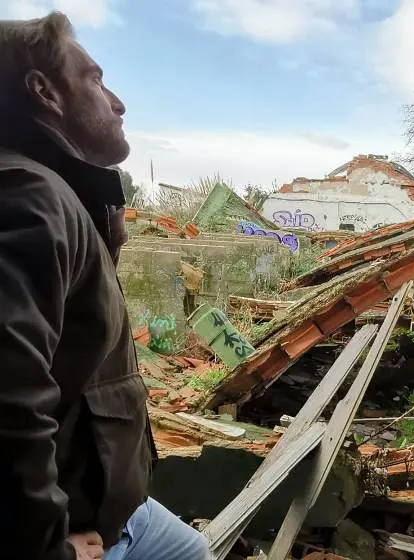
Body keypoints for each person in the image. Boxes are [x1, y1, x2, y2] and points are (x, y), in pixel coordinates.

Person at [0, 12, 210, 560]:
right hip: (69, 528)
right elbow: (9, 399)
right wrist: (50, 552)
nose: (117, 102)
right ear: (45, 92)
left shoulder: (60, 194)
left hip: (109, 509)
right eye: (94, 79)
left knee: (189, 549)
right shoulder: (28, 196)